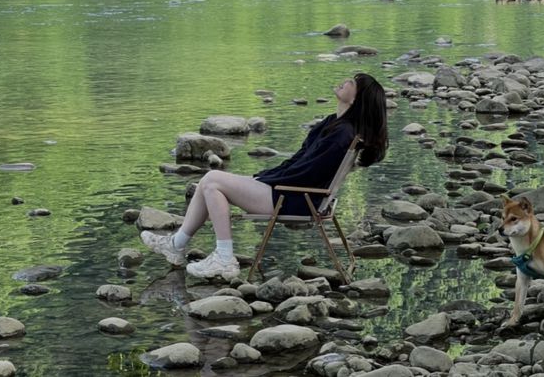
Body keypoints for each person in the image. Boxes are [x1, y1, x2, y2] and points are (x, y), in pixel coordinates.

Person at [140, 72, 389, 280]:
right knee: (209, 181)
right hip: (293, 193)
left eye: (352, 83)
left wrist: (268, 181)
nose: (345, 81)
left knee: (212, 181)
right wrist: (265, 176)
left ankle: (224, 258)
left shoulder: (341, 134)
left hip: (294, 199)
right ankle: (176, 245)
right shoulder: (334, 124)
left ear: (356, 99)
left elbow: (308, 173)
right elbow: (299, 161)